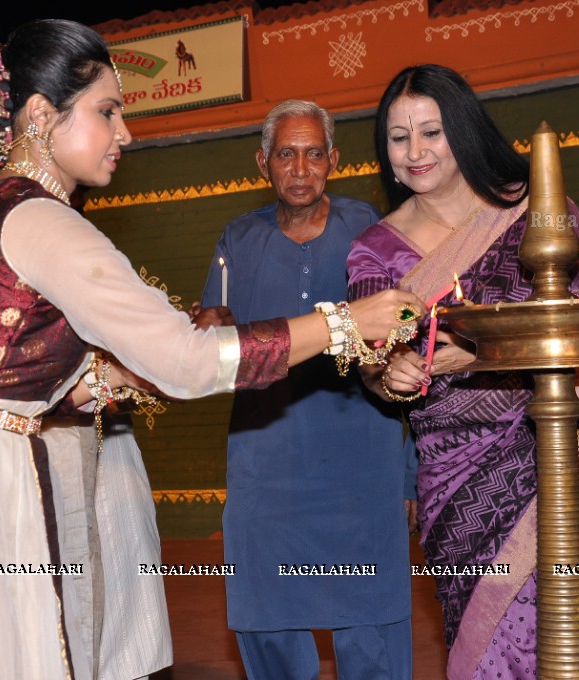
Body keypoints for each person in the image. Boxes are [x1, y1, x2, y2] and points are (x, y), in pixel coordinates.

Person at [0, 21, 421, 680]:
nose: (125, 134)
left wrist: (109, 380)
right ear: (41, 115)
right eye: (107, 112)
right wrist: (343, 322)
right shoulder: (51, 224)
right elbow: (191, 361)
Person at [346, 64, 579, 679]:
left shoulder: (538, 210)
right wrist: (383, 370)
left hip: (558, 441)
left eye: (431, 132)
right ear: (385, 153)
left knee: (576, 615)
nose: (415, 151)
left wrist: (486, 352)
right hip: (458, 477)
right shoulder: (376, 247)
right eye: (399, 137)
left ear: (463, 132)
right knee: (490, 634)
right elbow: (367, 350)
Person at [200, 100, 417, 680]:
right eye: (286, 155)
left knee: (371, 625)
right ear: (263, 163)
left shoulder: (371, 232)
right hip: (266, 467)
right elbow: (213, 343)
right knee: (268, 621)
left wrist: (409, 474)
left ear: (333, 160)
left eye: (313, 154)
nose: (300, 169)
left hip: (361, 471)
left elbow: (408, 352)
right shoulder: (237, 240)